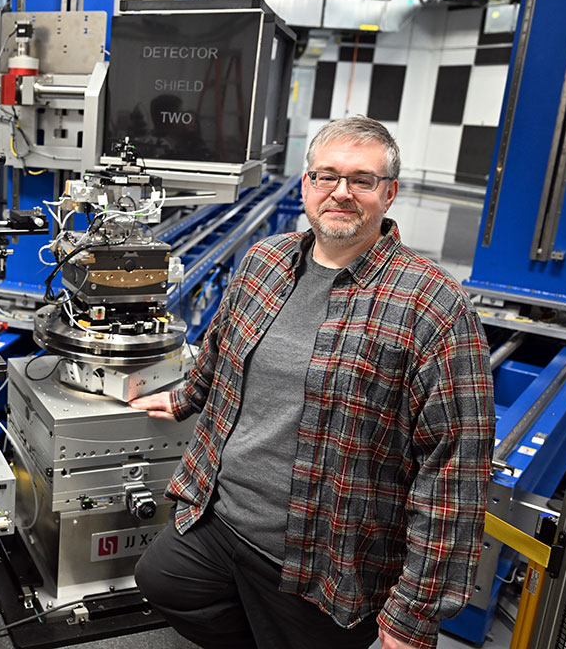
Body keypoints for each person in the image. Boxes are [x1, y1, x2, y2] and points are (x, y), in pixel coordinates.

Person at [130, 116, 494, 649]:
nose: (341, 192)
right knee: (161, 581)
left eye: (362, 180)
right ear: (307, 184)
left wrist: (414, 612)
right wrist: (187, 397)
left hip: (323, 560)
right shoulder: (265, 261)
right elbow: (222, 346)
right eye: (327, 176)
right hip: (219, 516)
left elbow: (456, 468)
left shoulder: (433, 304)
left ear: (389, 193)